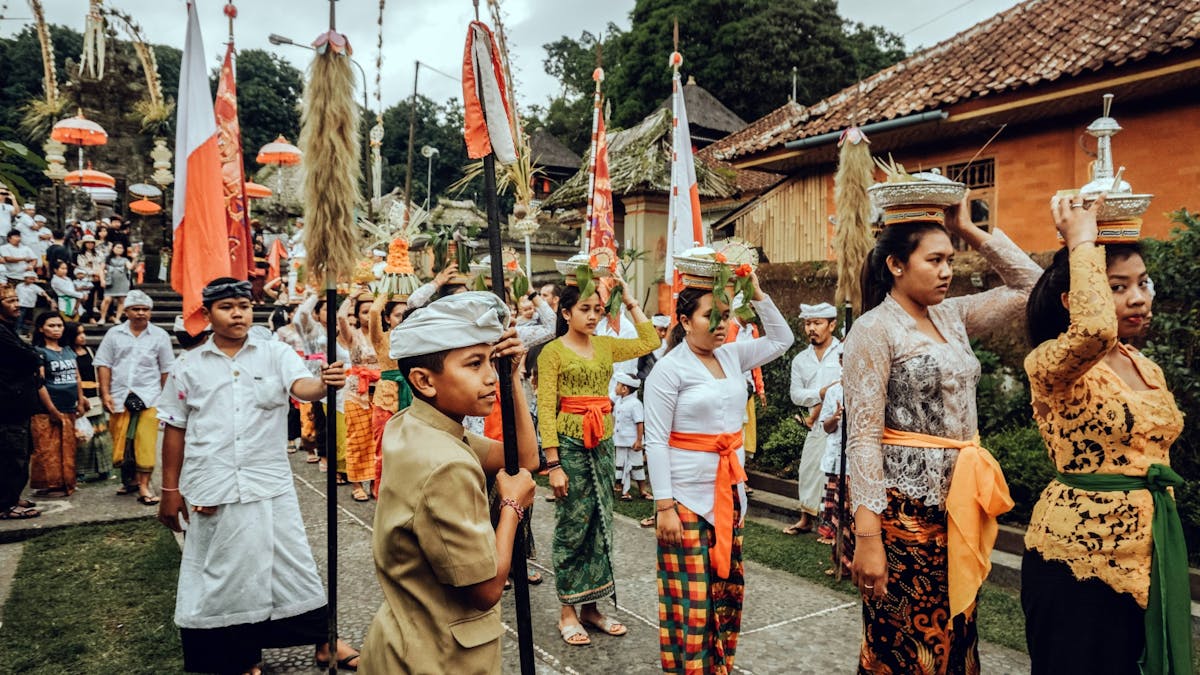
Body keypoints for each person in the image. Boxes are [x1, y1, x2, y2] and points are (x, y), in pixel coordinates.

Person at [844, 193, 1041, 674]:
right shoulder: (874, 329)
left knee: (958, 632)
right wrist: (867, 537)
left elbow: (1033, 286)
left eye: (951, 259)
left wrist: (972, 230)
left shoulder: (951, 316)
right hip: (904, 516)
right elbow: (863, 437)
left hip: (959, 505)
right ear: (895, 264)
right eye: (934, 260)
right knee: (908, 644)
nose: (947, 271)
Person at [155, 278, 360, 675]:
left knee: (292, 565)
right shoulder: (188, 367)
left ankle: (326, 642)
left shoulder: (275, 353)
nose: (237, 313)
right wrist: (168, 489)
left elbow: (302, 386)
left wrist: (323, 384)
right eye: (226, 307)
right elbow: (174, 428)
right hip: (214, 486)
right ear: (208, 314)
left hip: (269, 486)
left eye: (244, 306)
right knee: (223, 576)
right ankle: (240, 656)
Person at [1021, 196, 1189, 674]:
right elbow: (1094, 330)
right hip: (1075, 564)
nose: (1138, 297)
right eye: (1118, 287)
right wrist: (1081, 239)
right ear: (1076, 298)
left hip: (1147, 553)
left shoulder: (1144, 365)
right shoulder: (1053, 367)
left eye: (1142, 283)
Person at [360, 291, 539, 674]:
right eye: (474, 364)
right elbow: (486, 590)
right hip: (436, 658)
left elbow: (523, 459)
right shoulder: (447, 464)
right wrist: (511, 508)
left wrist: (513, 379)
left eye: (490, 361)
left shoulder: (415, 423)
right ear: (424, 380)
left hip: (404, 641)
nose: (489, 375)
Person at [644, 265, 793, 674]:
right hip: (686, 498)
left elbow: (783, 339)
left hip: (729, 493)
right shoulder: (669, 370)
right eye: (711, 314)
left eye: (726, 315)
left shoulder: (732, 355)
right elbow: (655, 440)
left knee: (727, 593)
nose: (721, 323)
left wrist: (758, 293)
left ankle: (720, 666)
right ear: (685, 320)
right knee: (691, 600)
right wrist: (664, 506)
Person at [537, 270, 658, 646]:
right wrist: (553, 464)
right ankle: (568, 610)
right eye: (584, 309)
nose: (592, 316)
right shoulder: (552, 352)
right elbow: (545, 408)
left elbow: (650, 339)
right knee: (573, 524)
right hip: (571, 444)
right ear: (565, 312)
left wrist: (629, 297)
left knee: (601, 521)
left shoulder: (605, 345)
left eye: (598, 309)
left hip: (602, 440)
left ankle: (591, 607)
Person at [95, 289, 174, 505]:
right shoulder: (114, 334)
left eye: (145, 309)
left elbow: (167, 369)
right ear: (127, 311)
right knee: (122, 442)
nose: (140, 313)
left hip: (150, 396)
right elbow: (104, 363)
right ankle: (128, 480)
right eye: (136, 309)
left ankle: (144, 486)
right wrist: (105, 393)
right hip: (120, 395)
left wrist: (167, 400)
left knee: (144, 441)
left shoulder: (160, 336)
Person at [784, 303, 842, 534]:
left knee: (837, 471)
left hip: (841, 423)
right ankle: (806, 519)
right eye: (808, 323)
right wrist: (820, 394)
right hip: (817, 425)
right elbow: (796, 395)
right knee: (809, 469)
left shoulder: (844, 351)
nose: (811, 328)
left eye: (817, 323)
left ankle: (835, 525)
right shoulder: (801, 359)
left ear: (832, 324)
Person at [30, 312, 86, 497]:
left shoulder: (68, 350)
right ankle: (51, 485)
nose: (56, 330)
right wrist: (52, 409)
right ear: (41, 328)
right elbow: (40, 383)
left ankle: (66, 482)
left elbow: (77, 377)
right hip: (47, 409)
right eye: (51, 326)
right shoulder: (39, 352)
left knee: (68, 447)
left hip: (69, 406)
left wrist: (80, 400)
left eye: (59, 326)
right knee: (48, 449)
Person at [0, 283, 44, 519]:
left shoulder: (9, 328)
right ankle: (6, 505)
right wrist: (36, 359)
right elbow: (27, 356)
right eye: (10, 301)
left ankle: (12, 496)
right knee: (11, 455)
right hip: (8, 405)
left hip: (18, 403)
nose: (17, 305)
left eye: (17, 300)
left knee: (21, 452)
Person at [337, 290, 380, 502]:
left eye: (371, 311)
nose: (368, 316)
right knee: (357, 440)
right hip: (357, 393)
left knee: (377, 441)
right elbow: (341, 317)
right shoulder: (352, 335)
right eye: (364, 312)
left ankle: (374, 482)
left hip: (381, 394)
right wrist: (351, 298)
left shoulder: (382, 335)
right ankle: (356, 483)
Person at [816, 365, 853, 576]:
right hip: (836, 462)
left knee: (853, 517)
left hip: (856, 465)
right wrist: (836, 417)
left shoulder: (868, 388)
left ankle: (853, 564)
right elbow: (826, 427)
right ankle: (839, 562)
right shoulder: (834, 391)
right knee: (838, 516)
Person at [66, 321, 112, 482]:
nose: (83, 336)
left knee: (100, 436)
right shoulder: (67, 353)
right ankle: (81, 471)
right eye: (78, 334)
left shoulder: (90, 352)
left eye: (83, 332)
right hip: (78, 398)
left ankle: (103, 468)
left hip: (95, 397)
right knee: (83, 437)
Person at [612, 372, 649, 501]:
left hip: (633, 442)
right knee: (620, 464)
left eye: (617, 385)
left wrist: (639, 440)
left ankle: (642, 490)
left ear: (625, 389)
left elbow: (640, 423)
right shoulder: (618, 402)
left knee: (636, 464)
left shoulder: (635, 404)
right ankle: (622, 490)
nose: (615, 387)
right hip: (620, 441)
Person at [100, 241, 133, 324]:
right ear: (113, 248)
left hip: (122, 282)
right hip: (110, 281)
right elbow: (101, 269)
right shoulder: (107, 258)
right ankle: (102, 318)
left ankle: (118, 318)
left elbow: (130, 267)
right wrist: (102, 279)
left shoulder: (125, 259)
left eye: (121, 248)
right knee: (107, 299)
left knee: (121, 300)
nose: (119, 249)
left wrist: (135, 259)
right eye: (117, 247)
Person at [76, 234, 105, 323]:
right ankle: (90, 317)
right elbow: (82, 267)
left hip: (100, 276)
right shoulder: (81, 255)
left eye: (92, 242)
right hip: (88, 278)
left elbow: (102, 264)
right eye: (88, 243)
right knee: (90, 298)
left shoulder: (99, 253)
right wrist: (93, 273)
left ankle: (108, 314)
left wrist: (100, 274)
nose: (90, 244)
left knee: (105, 296)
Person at [15, 270, 52, 335]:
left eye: (32, 279)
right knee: (19, 319)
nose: (31, 280)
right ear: (25, 278)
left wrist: (47, 297)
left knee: (28, 320)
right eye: (30, 279)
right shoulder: (19, 286)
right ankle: (18, 331)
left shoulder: (34, 287)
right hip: (21, 304)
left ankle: (27, 332)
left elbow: (42, 292)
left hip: (30, 305)